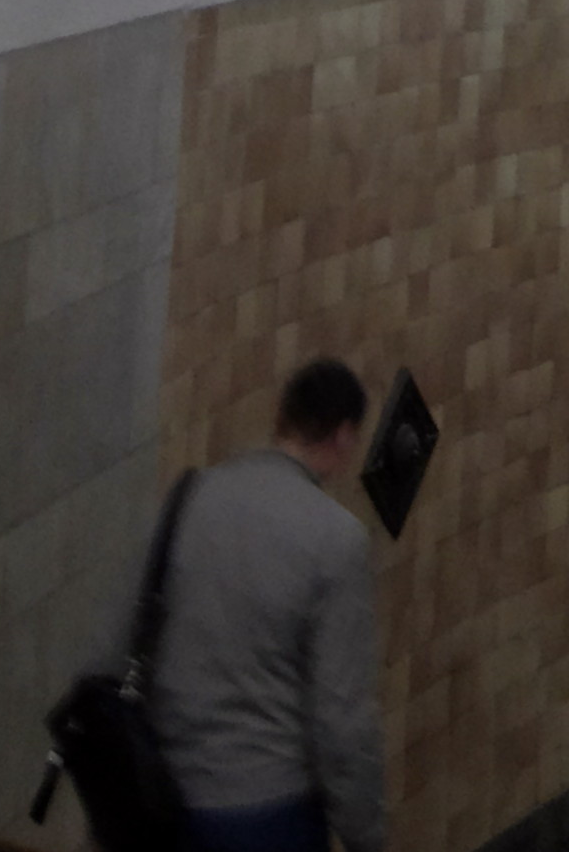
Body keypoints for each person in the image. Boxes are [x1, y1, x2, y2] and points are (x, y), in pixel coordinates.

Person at [144, 356, 385, 852]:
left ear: (282, 417)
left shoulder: (187, 499)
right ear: (344, 436)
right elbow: (340, 719)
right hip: (268, 813)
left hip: (162, 801)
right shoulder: (335, 539)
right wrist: (367, 836)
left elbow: (113, 646)